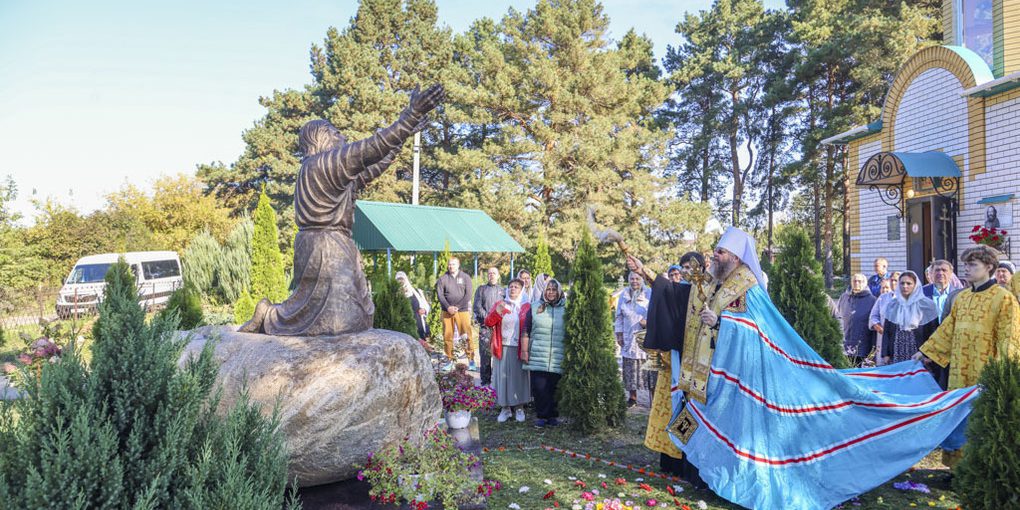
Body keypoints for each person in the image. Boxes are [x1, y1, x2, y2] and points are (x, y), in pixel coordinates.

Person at [647, 227, 978, 510]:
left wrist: (721, 322)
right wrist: (657, 281)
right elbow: (691, 299)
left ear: (735, 256)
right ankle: (707, 472)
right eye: (716, 251)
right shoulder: (719, 282)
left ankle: (736, 477)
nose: (715, 256)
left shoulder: (747, 285)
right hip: (719, 373)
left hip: (748, 377)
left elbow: (758, 330)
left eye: (720, 252)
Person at [240, 85, 444, 336]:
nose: (342, 137)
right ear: (321, 137)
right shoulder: (322, 164)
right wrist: (409, 117)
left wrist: (402, 136)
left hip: (334, 244)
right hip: (323, 246)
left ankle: (273, 315)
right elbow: (371, 148)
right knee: (341, 320)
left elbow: (372, 167)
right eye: (336, 132)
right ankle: (271, 315)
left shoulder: (329, 171)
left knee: (357, 317)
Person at [917, 245, 1020, 467]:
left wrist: (1001, 373)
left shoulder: (1004, 299)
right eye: (965, 265)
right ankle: (957, 470)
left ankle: (978, 470)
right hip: (958, 372)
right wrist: (925, 351)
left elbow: (1009, 339)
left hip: (985, 373)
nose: (966, 269)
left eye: (972, 265)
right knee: (957, 417)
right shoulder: (962, 297)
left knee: (980, 421)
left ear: (989, 267)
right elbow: (947, 329)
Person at [628, 251, 697, 484]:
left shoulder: (707, 292)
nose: (687, 272)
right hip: (674, 362)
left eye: (691, 267)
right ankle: (671, 460)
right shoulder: (679, 291)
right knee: (672, 409)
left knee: (690, 413)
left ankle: (688, 461)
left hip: (697, 368)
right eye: (683, 267)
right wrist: (642, 270)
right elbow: (662, 287)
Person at [483, 278, 532, 423]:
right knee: (502, 379)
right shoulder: (500, 304)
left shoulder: (526, 307)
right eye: (511, 286)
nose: (513, 289)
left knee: (519, 378)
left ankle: (519, 408)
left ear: (521, 290)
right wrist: (497, 312)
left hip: (519, 347)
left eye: (516, 287)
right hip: (502, 347)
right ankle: (505, 409)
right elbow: (488, 322)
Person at [521, 278, 566, 427]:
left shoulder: (566, 308)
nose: (551, 292)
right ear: (544, 291)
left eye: (554, 290)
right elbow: (526, 330)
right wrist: (524, 351)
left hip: (557, 354)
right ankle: (541, 415)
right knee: (539, 387)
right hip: (538, 354)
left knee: (555, 387)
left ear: (559, 292)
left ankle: (553, 416)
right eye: (548, 290)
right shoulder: (535, 307)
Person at [881, 271, 938, 364]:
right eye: (902, 283)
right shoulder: (893, 304)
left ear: (915, 285)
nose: (905, 286)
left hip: (919, 352)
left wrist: (928, 354)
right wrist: (885, 354)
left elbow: (934, 332)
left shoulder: (927, 305)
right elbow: (886, 331)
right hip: (896, 350)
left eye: (909, 283)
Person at [615, 271, 651, 407]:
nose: (634, 281)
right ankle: (633, 398)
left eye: (637, 278)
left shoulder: (649, 293)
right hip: (628, 335)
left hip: (645, 336)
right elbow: (619, 316)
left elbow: (656, 312)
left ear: (642, 280)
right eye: (632, 279)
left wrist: (648, 322)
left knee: (649, 370)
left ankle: (652, 398)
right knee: (630, 368)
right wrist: (619, 334)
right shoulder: (624, 294)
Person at [437, 257, 475, 370]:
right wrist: (448, 307)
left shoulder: (465, 277)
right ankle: (449, 360)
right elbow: (440, 295)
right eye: (449, 264)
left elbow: (468, 294)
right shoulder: (443, 279)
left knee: (466, 336)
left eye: (453, 264)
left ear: (458, 265)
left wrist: (457, 307)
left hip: (462, 311)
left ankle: (471, 360)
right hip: (447, 311)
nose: (451, 266)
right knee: (447, 336)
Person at [837, 273, 878, 366]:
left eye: (860, 281)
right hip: (845, 344)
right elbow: (838, 316)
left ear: (865, 283)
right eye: (854, 281)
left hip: (863, 345)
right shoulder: (844, 297)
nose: (856, 283)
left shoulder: (872, 300)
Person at [473, 267, 504, 385]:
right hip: (485, 327)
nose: (491, 275)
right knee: (485, 354)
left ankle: (497, 380)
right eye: (489, 273)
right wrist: (488, 318)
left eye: (494, 273)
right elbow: (477, 306)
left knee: (498, 354)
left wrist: (496, 319)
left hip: (499, 328)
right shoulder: (481, 289)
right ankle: (485, 381)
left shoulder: (503, 291)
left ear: (498, 275)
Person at [395, 271, 431, 349]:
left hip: (417, 323)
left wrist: (424, 310)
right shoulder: (394, 294)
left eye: (402, 279)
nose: (400, 282)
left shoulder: (417, 292)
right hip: (403, 324)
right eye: (398, 279)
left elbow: (426, 306)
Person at [868, 278, 895, 365]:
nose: (884, 290)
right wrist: (878, 326)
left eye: (887, 287)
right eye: (883, 288)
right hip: (882, 335)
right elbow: (873, 316)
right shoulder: (881, 298)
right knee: (883, 364)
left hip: (897, 337)